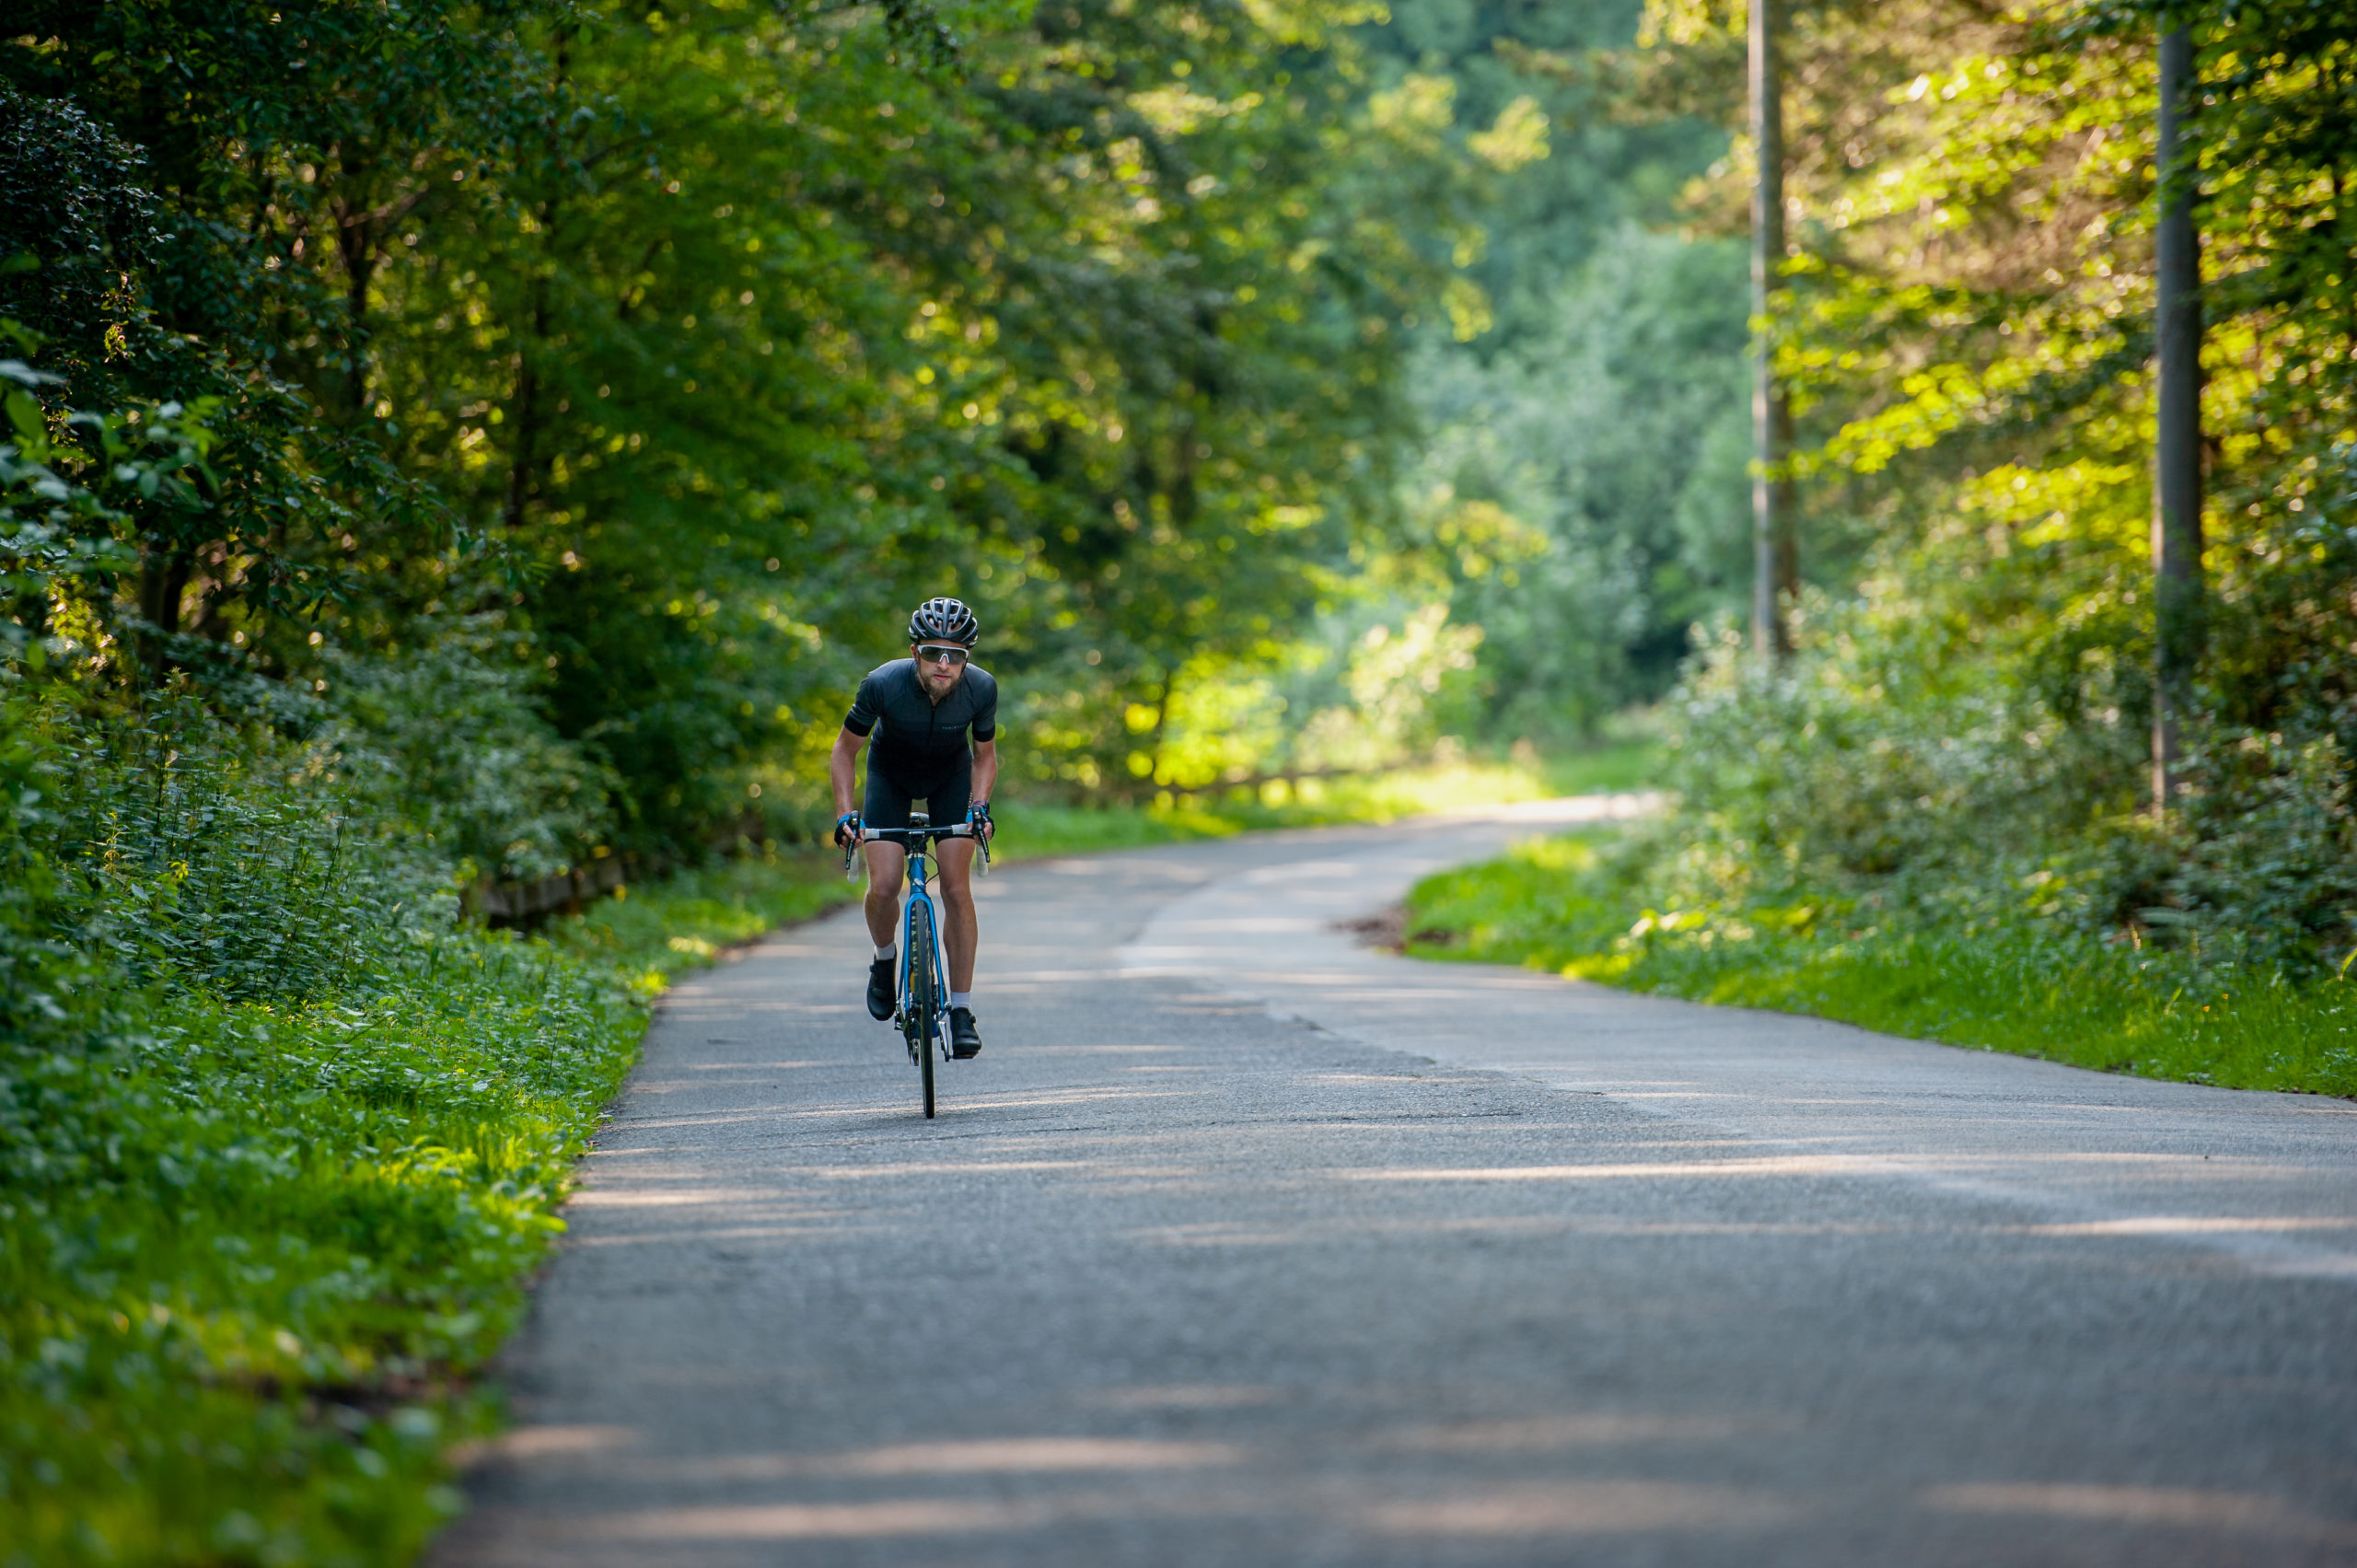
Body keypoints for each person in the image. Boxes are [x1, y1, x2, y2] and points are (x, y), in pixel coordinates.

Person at [830, 597, 998, 1057]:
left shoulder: (981, 689)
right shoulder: (882, 685)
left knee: (957, 890)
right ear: (913, 652)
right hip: (891, 775)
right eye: (932, 652)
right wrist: (845, 813)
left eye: (956, 655)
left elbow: (984, 756)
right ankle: (885, 961)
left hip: (950, 777)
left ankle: (961, 1010)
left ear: (967, 660)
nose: (944, 663)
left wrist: (979, 806)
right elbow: (845, 751)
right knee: (884, 886)